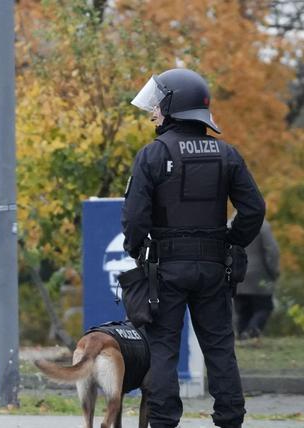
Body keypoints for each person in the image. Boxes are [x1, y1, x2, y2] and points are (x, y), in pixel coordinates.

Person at [123, 68, 266, 428]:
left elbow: (135, 217)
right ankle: (230, 419)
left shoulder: (153, 155)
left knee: (163, 346)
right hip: (214, 267)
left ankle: (163, 421)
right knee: (219, 347)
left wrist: (135, 248)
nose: (153, 113)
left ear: (174, 106)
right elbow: (254, 209)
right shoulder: (227, 154)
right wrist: (231, 241)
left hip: (166, 269)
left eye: (157, 105)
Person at [233, 218, 280, 340]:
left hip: (236, 275)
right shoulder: (262, 225)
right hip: (259, 276)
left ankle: (242, 336)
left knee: (242, 311)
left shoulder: (230, 223)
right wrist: (273, 271)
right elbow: (272, 250)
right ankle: (252, 331)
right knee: (265, 307)